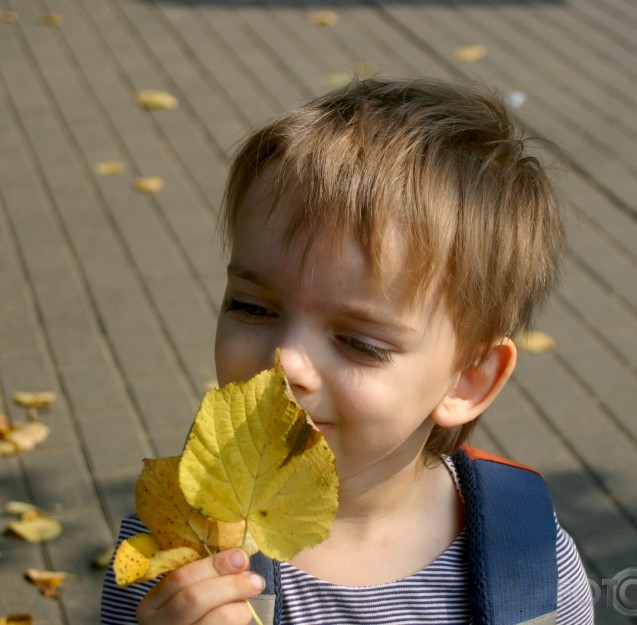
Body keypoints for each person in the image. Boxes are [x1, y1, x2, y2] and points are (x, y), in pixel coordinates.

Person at [101, 77, 594, 625]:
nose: (285, 360)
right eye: (253, 307)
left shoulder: (530, 570)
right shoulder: (177, 554)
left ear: (468, 379)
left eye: (359, 342)